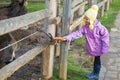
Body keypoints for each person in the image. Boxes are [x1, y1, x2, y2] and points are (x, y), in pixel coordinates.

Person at [62, 5, 109, 79]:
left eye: (86, 19)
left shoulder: (101, 28)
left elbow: (105, 38)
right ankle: (94, 73)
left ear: (92, 19)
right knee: (96, 61)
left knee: (97, 61)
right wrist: (69, 37)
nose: (85, 20)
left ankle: (96, 74)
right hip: (92, 47)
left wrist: (104, 48)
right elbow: (77, 33)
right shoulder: (85, 28)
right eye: (85, 18)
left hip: (99, 48)